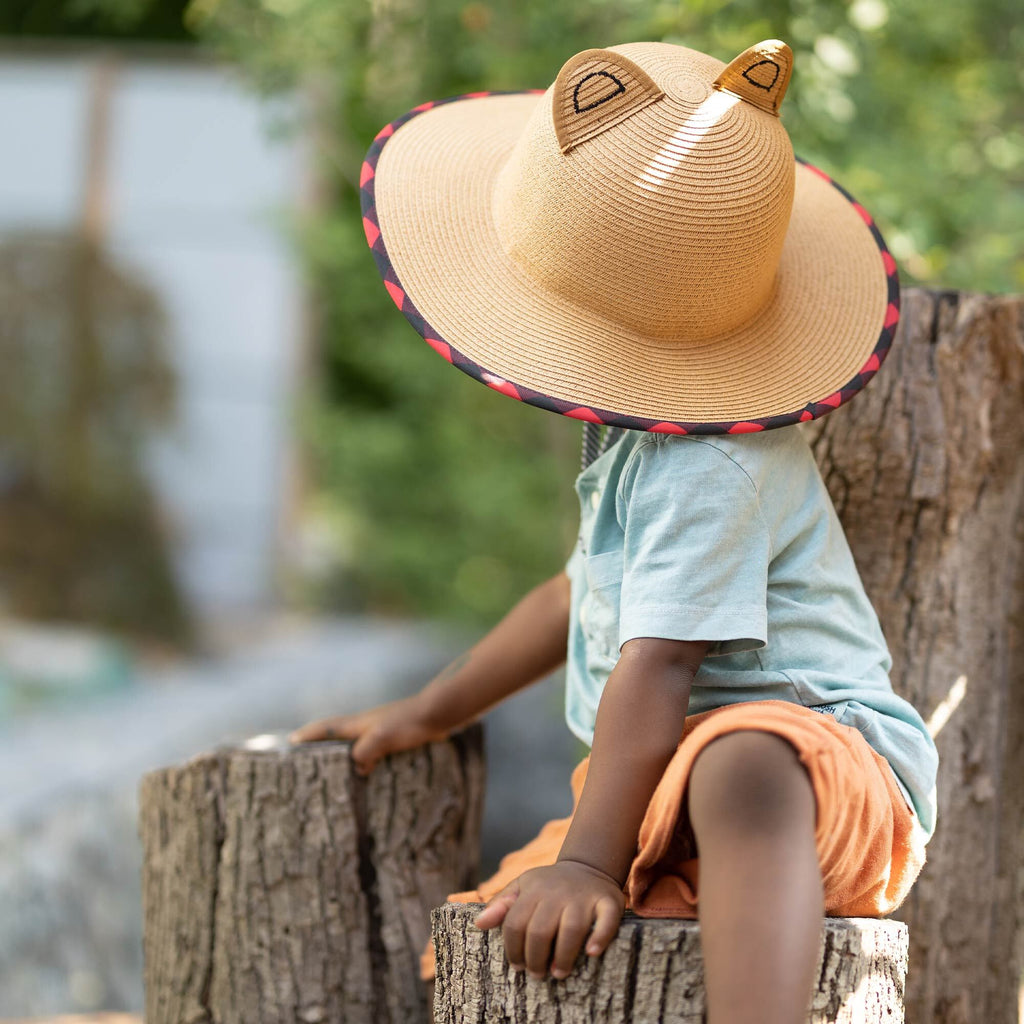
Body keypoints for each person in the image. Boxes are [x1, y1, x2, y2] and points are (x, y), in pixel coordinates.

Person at [290, 38, 938, 1024]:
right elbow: (571, 595)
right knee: (513, 917)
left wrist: (593, 860)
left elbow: (661, 660)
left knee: (744, 763)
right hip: (667, 772)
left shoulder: (709, 456)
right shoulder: (636, 435)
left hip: (821, 777)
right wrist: (429, 710)